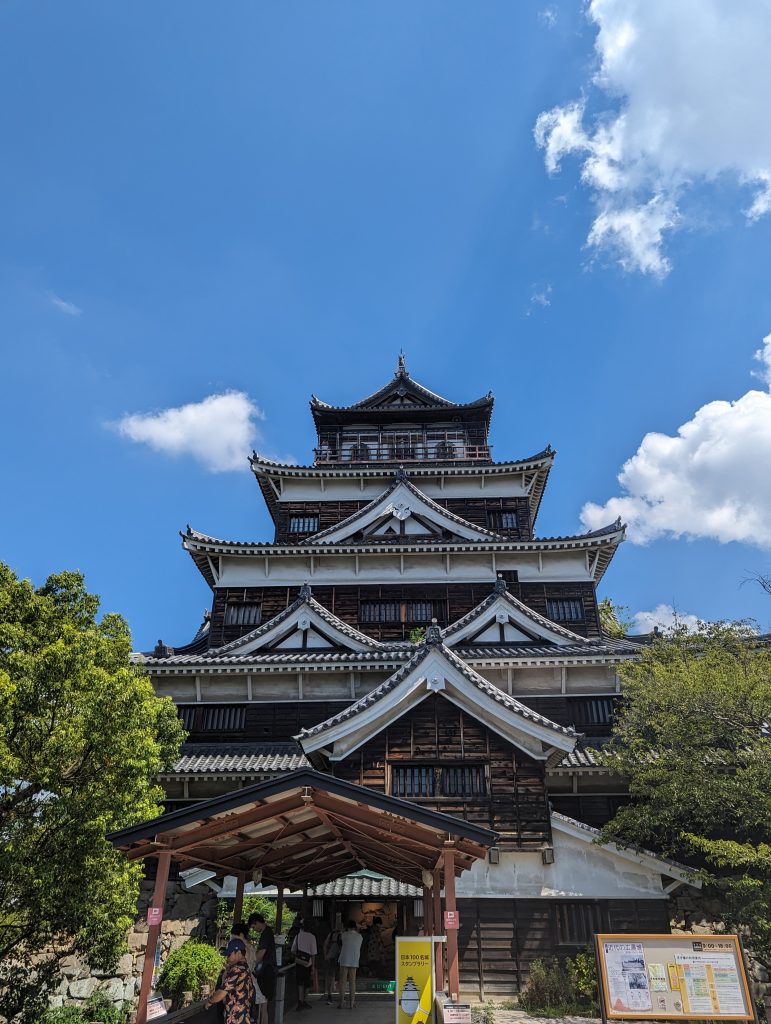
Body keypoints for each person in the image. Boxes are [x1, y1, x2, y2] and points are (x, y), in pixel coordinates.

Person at [204, 938, 255, 1024]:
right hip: (245, 1016)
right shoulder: (245, 968)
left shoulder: (236, 970)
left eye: (229, 955)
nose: (227, 958)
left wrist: (209, 1001)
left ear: (238, 953)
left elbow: (221, 993)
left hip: (235, 1019)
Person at [232, 922, 268, 1024]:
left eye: (234, 935)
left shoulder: (239, 947)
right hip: (252, 982)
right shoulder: (251, 947)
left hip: (240, 982)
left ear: (241, 935)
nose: (232, 937)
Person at [248, 912, 277, 1010]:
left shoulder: (266, 934)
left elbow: (261, 954)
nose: (254, 930)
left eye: (253, 927)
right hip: (268, 969)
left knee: (263, 1005)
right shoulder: (268, 932)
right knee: (264, 1007)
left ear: (256, 922)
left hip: (266, 970)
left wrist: (251, 964)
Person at [291, 917, 318, 1011]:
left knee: (300, 983)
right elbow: (313, 953)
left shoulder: (298, 936)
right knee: (307, 983)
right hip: (308, 963)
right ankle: (305, 1001)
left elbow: (293, 950)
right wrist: (313, 966)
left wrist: (299, 954)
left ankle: (300, 1001)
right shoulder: (312, 937)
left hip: (299, 963)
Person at [337, 920, 363, 1010]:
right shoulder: (360, 936)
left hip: (344, 959)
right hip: (354, 960)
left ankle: (341, 1003)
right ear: (355, 927)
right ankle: (352, 1004)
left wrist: (342, 931)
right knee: (352, 982)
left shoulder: (344, 935)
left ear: (347, 927)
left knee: (343, 981)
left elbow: (340, 941)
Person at [323, 918, 343, 1005]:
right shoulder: (336, 935)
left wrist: (325, 955)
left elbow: (325, 945)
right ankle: (332, 996)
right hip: (335, 958)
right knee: (334, 977)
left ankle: (333, 996)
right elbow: (325, 945)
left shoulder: (332, 935)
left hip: (334, 958)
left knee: (334, 977)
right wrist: (325, 956)